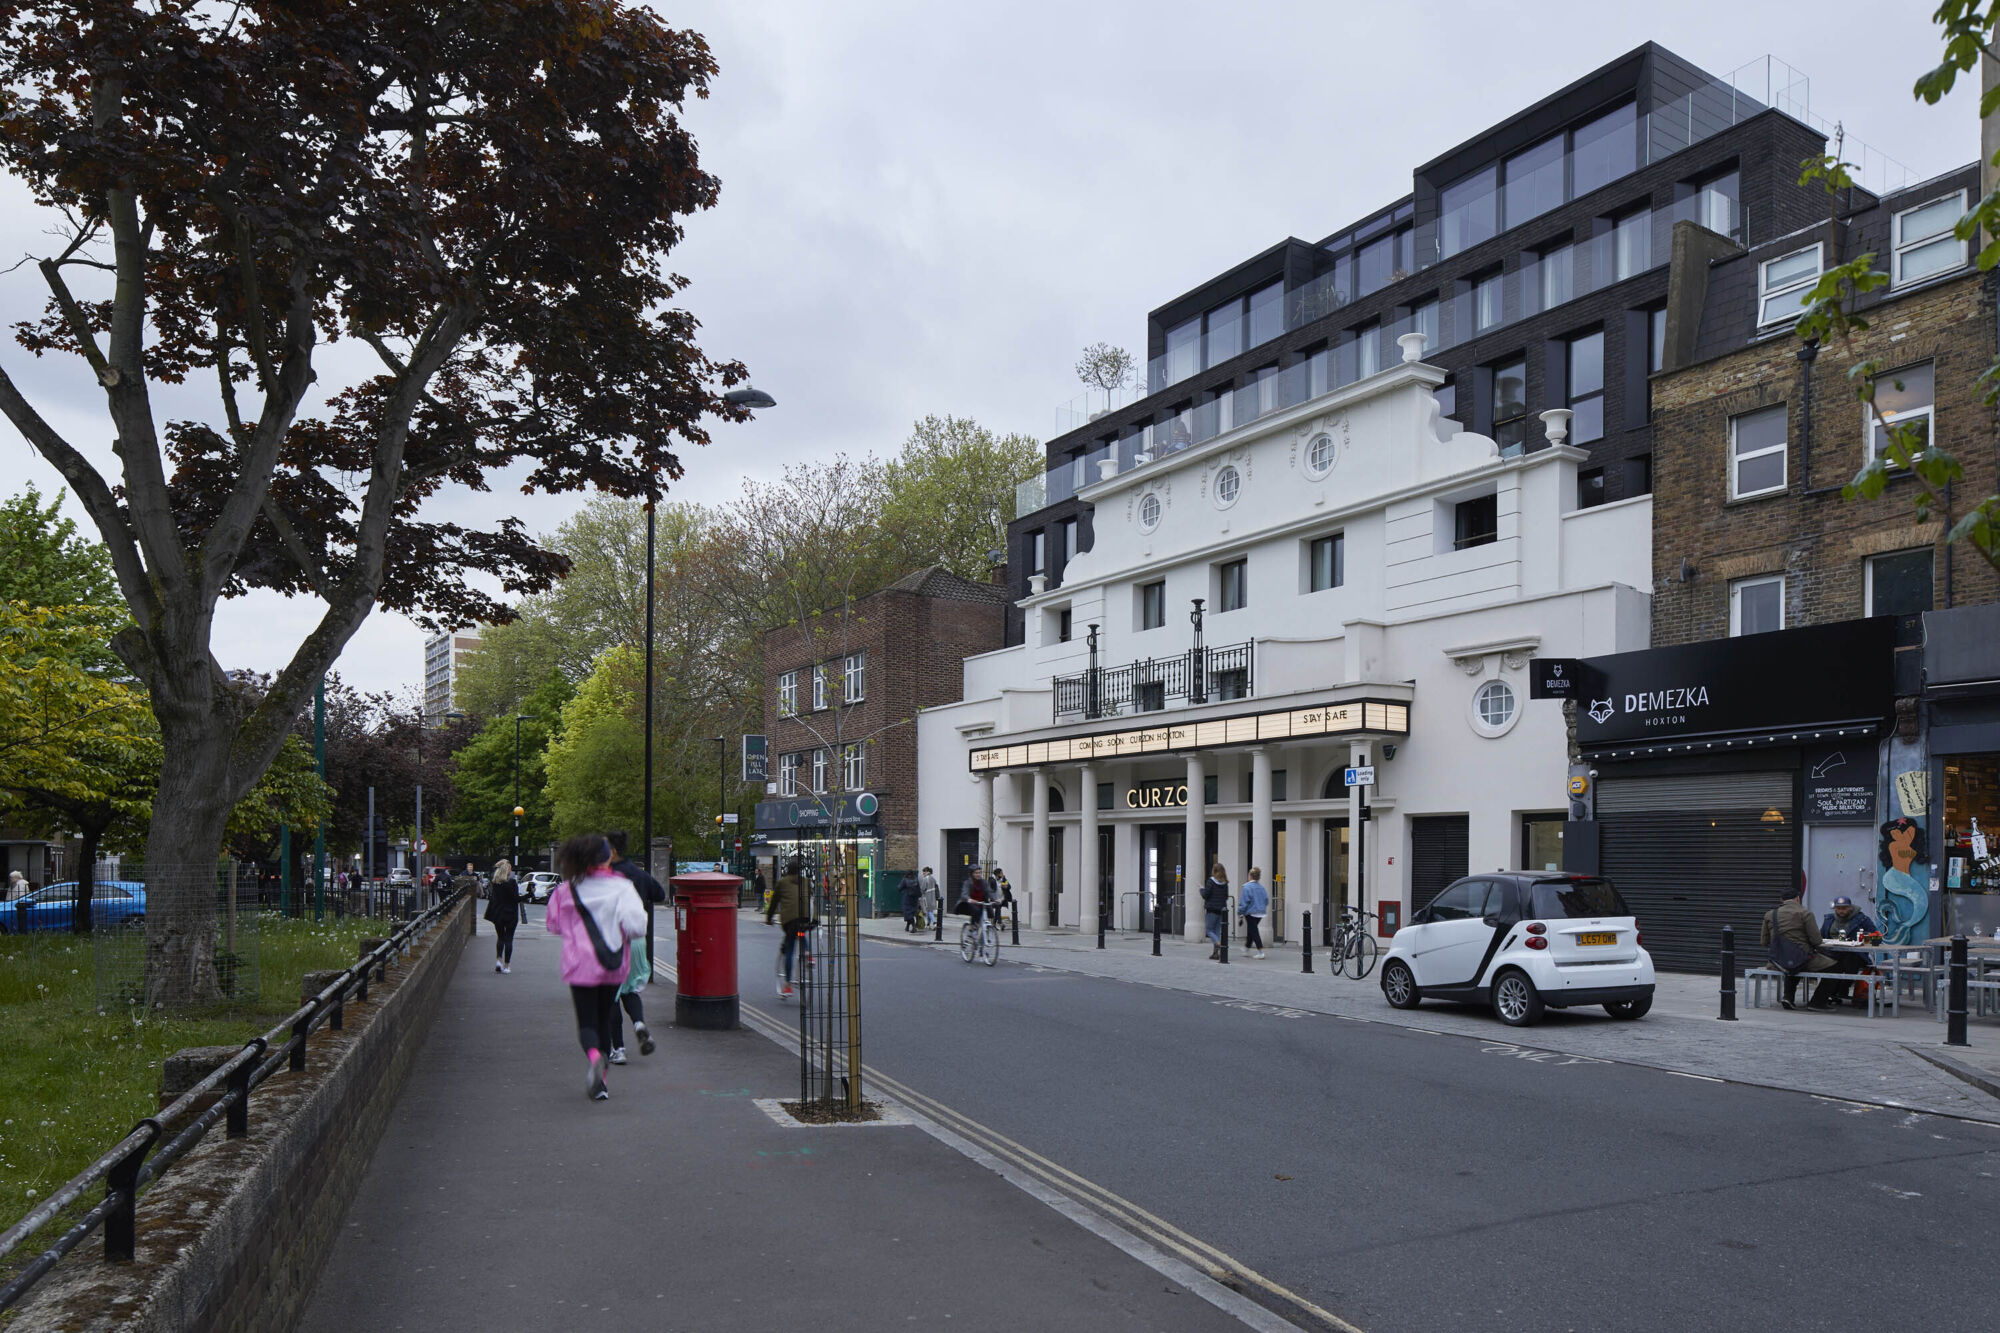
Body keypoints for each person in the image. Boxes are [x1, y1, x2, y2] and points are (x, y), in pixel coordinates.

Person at [544, 834, 647, 1101]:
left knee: (587, 1022)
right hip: (612, 964)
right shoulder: (622, 887)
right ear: (607, 857)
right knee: (604, 1019)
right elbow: (637, 927)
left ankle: (593, 1058)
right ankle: (601, 1083)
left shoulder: (566, 889)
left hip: (580, 965)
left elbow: (553, 925)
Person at [604, 830, 665, 1062]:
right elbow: (659, 893)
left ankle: (618, 1050)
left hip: (613, 942)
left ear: (613, 851)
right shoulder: (638, 873)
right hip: (637, 942)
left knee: (611, 996)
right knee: (629, 990)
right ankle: (639, 1024)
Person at [1761, 886, 1862, 1010]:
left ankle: (1788, 997)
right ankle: (1817, 1002)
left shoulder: (1770, 914)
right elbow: (1816, 941)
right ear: (1798, 899)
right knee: (1834, 967)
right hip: (1801, 958)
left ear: (1782, 900)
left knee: (1792, 963)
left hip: (1777, 960)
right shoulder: (1805, 913)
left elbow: (1764, 941)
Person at [765, 857, 810, 998]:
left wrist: (769, 918)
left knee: (789, 950)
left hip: (790, 921)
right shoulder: (806, 882)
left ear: (787, 870)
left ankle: (788, 985)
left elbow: (774, 902)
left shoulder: (782, 883)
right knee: (801, 932)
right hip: (805, 919)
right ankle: (808, 954)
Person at [484, 859, 523, 973]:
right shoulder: (511, 883)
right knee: (509, 939)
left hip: (498, 914)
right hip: (510, 914)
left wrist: (499, 863)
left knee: (500, 937)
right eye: (510, 869)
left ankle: (498, 961)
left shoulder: (496, 883)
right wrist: (529, 894)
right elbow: (516, 899)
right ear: (507, 870)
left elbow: (493, 869)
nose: (511, 871)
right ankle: (506, 966)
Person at [1201, 862, 1230, 961]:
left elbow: (1206, 895)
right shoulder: (1225, 883)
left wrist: (1201, 890)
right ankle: (1215, 953)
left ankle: (1218, 943)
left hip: (1212, 909)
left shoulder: (1210, 881)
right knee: (1217, 932)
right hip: (1221, 910)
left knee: (1209, 930)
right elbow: (1226, 897)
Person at [1240, 867, 1269, 959]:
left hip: (1251, 912)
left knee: (1254, 931)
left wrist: (1240, 912)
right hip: (1261, 912)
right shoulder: (1261, 888)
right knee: (1252, 930)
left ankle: (1260, 951)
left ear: (1250, 876)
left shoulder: (1247, 887)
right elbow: (1266, 900)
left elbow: (1244, 902)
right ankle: (1246, 948)